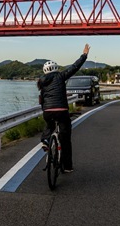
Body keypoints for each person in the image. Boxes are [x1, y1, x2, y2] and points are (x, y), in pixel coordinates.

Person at [36, 43, 90, 173]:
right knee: (65, 139)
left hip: (47, 111)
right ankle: (67, 167)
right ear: (56, 68)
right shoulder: (60, 76)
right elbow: (74, 67)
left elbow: (42, 100)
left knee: (49, 126)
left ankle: (45, 140)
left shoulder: (41, 82)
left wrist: (45, 110)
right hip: (61, 111)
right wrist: (84, 55)